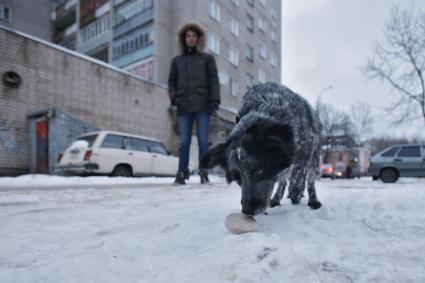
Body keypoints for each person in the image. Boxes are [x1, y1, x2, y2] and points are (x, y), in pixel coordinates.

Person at [168, 22, 220, 185]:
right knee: (184, 142)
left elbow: (213, 81)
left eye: (194, 36)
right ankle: (182, 173)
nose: (191, 39)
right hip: (184, 107)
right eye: (188, 36)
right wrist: (175, 99)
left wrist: (215, 101)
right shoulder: (177, 61)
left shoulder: (207, 59)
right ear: (184, 39)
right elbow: (171, 82)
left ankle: (204, 172)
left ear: (198, 39)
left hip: (203, 106)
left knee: (204, 141)